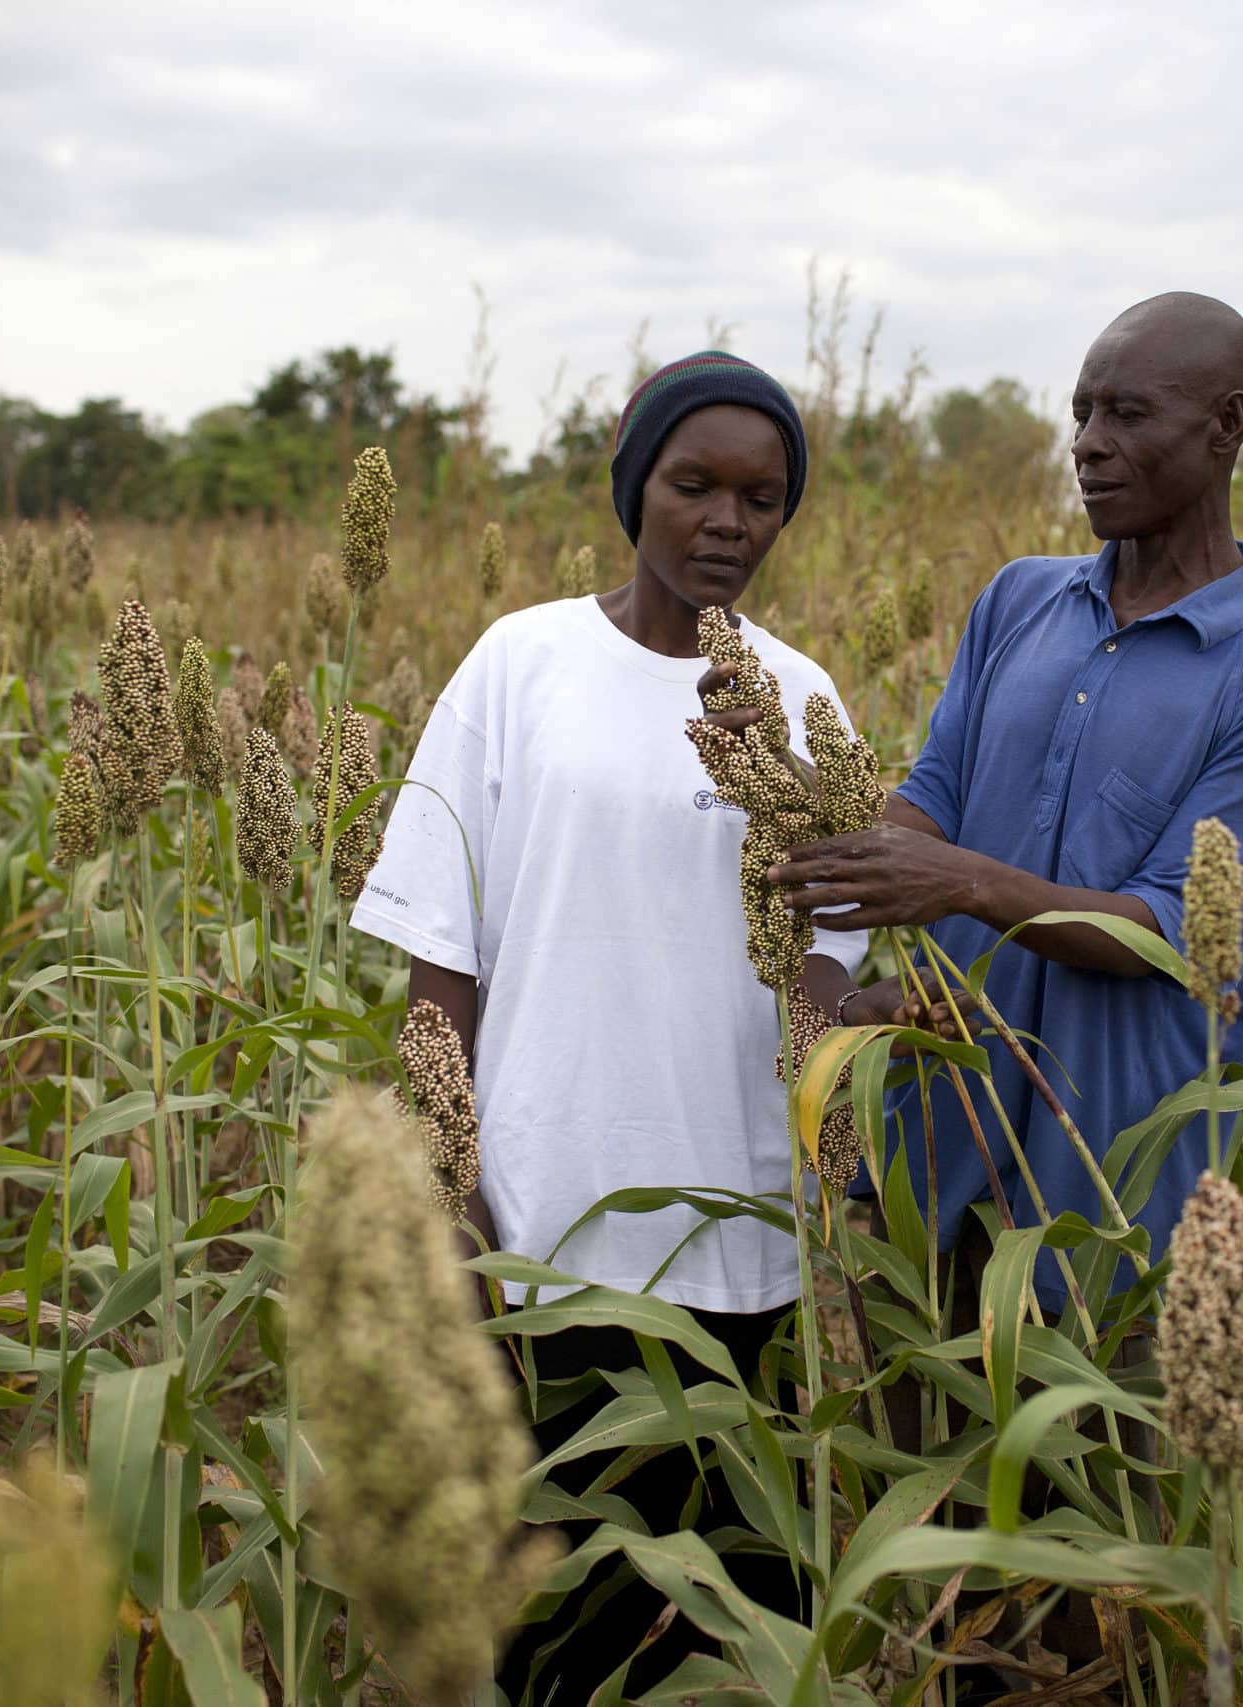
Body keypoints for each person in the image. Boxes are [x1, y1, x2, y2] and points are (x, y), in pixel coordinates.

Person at [348, 351, 864, 1699]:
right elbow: (438, 969)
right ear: (635, 487)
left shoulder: (803, 703)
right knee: (555, 1635)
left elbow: (824, 980)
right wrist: (448, 1202)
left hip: (748, 1254)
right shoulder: (522, 664)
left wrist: (839, 1189)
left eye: (761, 496)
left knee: (731, 1638)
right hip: (543, 1245)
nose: (726, 521)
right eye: (694, 483)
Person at [748, 292, 1243, 1304]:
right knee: (909, 1449)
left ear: (1226, 425)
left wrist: (962, 884)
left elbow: (1172, 932)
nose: (1087, 445)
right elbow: (929, 806)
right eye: (1080, 414)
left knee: (1095, 1457)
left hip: (1109, 1208)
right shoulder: (1021, 598)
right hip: (928, 1165)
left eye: (1126, 416)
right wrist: (796, 791)